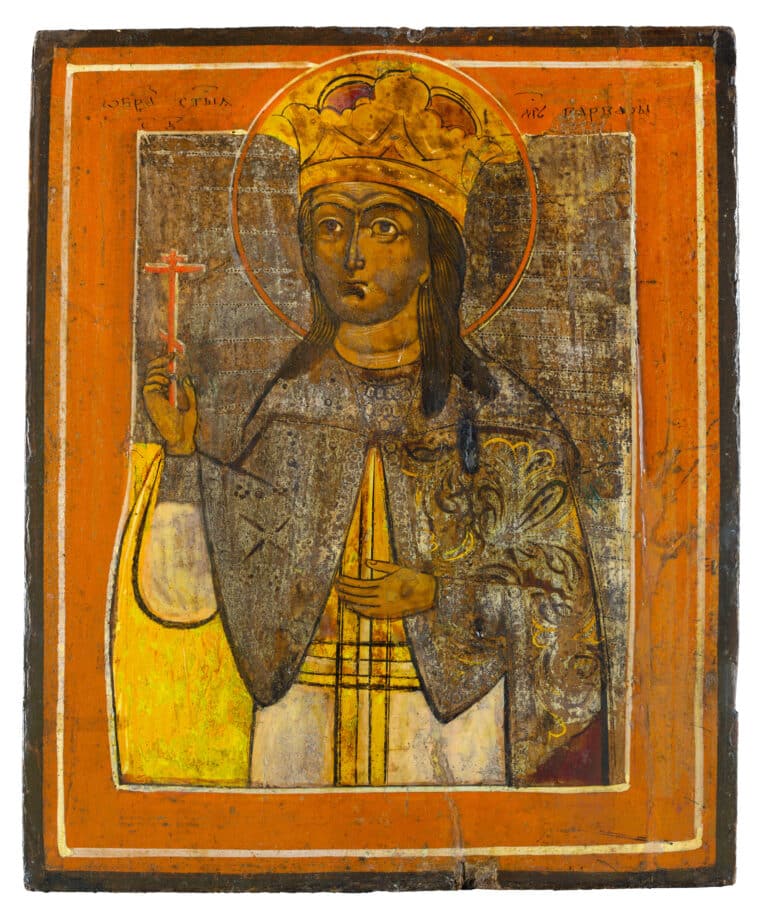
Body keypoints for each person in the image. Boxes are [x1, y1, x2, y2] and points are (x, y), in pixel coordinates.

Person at [116, 65, 608, 788]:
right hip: (300, 737)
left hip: (449, 742)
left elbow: (563, 600)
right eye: (330, 227)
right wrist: (184, 454)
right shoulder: (289, 411)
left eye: (384, 227)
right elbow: (183, 596)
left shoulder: (504, 417)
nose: (352, 255)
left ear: (433, 255)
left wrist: (441, 593)